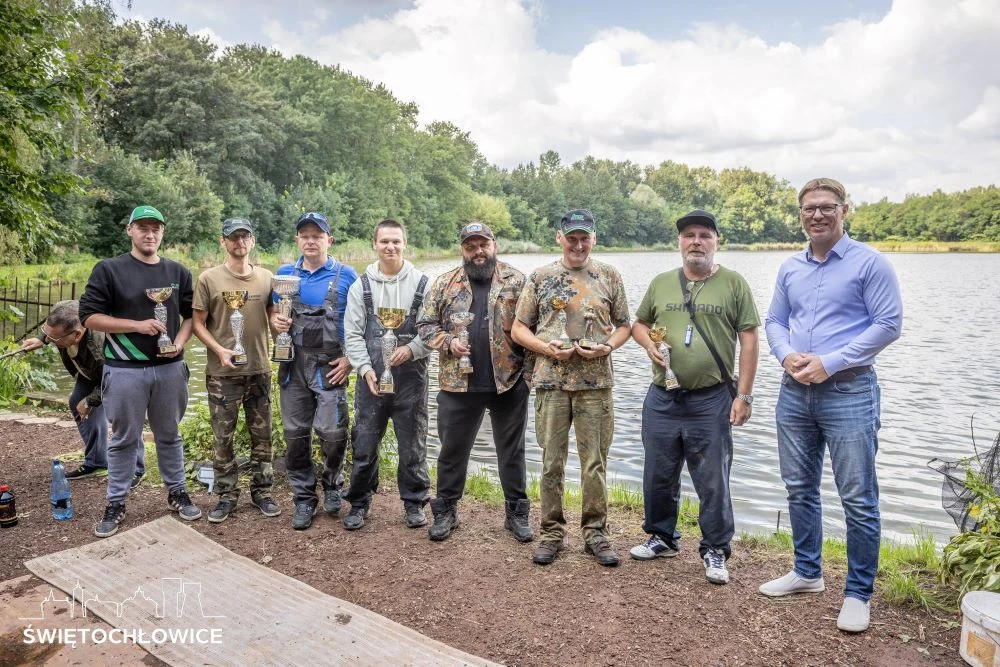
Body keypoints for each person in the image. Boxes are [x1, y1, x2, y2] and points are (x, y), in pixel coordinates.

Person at [759, 178, 902, 633]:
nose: (817, 215)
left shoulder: (869, 263)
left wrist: (830, 362)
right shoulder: (790, 268)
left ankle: (859, 593)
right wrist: (786, 355)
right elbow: (775, 320)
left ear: (844, 210)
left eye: (826, 207)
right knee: (799, 487)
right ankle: (807, 572)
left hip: (849, 392)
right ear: (800, 214)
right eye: (809, 208)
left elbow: (888, 324)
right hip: (793, 389)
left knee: (857, 497)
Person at [629, 209, 760, 585]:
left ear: (717, 242)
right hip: (663, 396)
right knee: (658, 472)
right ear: (680, 243)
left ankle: (716, 549)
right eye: (689, 236)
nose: (696, 242)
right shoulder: (661, 283)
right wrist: (648, 347)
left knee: (712, 478)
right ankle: (662, 536)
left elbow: (749, 338)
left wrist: (745, 395)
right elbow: (639, 324)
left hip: (712, 397)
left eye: (704, 235)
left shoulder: (734, 284)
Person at [512, 209, 631, 566]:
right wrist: (546, 348)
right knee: (551, 462)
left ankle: (596, 533)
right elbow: (519, 329)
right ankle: (551, 533)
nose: (578, 244)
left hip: (596, 384)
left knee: (595, 462)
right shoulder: (541, 277)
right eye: (572, 238)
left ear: (593, 239)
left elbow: (625, 325)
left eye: (585, 238)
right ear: (559, 238)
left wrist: (607, 346)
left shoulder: (608, 275)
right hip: (551, 382)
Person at [78, 204, 200, 538]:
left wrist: (179, 341)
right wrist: (135, 325)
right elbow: (89, 317)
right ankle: (115, 503)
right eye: (143, 228)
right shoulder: (109, 270)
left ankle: (177, 492)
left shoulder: (178, 272)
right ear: (129, 230)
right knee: (124, 440)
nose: (150, 234)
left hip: (170, 368)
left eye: (156, 229)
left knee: (170, 434)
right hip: (124, 370)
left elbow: (191, 316)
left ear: (162, 233)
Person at [416, 222, 533, 543]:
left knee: (512, 452)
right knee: (452, 451)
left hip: (508, 383)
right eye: (471, 246)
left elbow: (534, 329)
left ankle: (516, 513)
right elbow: (424, 324)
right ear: (462, 250)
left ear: (495, 245)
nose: (478, 252)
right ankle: (446, 511)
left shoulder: (518, 281)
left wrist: (529, 377)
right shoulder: (444, 283)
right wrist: (447, 341)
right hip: (457, 385)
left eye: (483, 245)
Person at [270, 211, 359, 530]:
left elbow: (361, 322)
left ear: (329, 240)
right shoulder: (283, 274)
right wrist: (274, 322)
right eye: (304, 235)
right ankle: (304, 498)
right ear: (297, 240)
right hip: (293, 367)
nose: (310, 240)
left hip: (329, 367)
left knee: (332, 434)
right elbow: (273, 314)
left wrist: (350, 359)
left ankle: (332, 486)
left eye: (317, 235)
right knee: (295, 437)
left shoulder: (347, 275)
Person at [342, 219, 432, 530]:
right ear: (374, 245)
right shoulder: (360, 286)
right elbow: (352, 335)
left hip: (412, 380)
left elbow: (432, 330)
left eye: (396, 241)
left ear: (405, 243)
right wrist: (365, 369)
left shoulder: (423, 283)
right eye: (384, 242)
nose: (390, 247)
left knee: (413, 444)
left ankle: (414, 502)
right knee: (364, 443)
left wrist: (413, 349)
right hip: (371, 380)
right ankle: (358, 502)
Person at [191, 218, 280, 523]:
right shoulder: (209, 279)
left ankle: (263, 492)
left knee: (262, 436)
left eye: (245, 237)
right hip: (221, 374)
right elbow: (197, 324)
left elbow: (274, 319)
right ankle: (227, 496)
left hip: (259, 369)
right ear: (223, 241)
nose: (240, 242)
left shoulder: (268, 278)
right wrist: (219, 350)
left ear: (252, 241)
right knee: (222, 438)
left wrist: (283, 333)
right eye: (234, 237)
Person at [19, 301, 145, 484]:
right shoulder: (63, 309)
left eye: (54, 340)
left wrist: (89, 401)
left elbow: (113, 381)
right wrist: (43, 339)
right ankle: (96, 460)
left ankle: (136, 469)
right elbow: (55, 326)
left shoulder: (100, 342)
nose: (51, 342)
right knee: (76, 401)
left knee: (124, 414)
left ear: (77, 334)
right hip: (90, 370)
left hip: (119, 373)